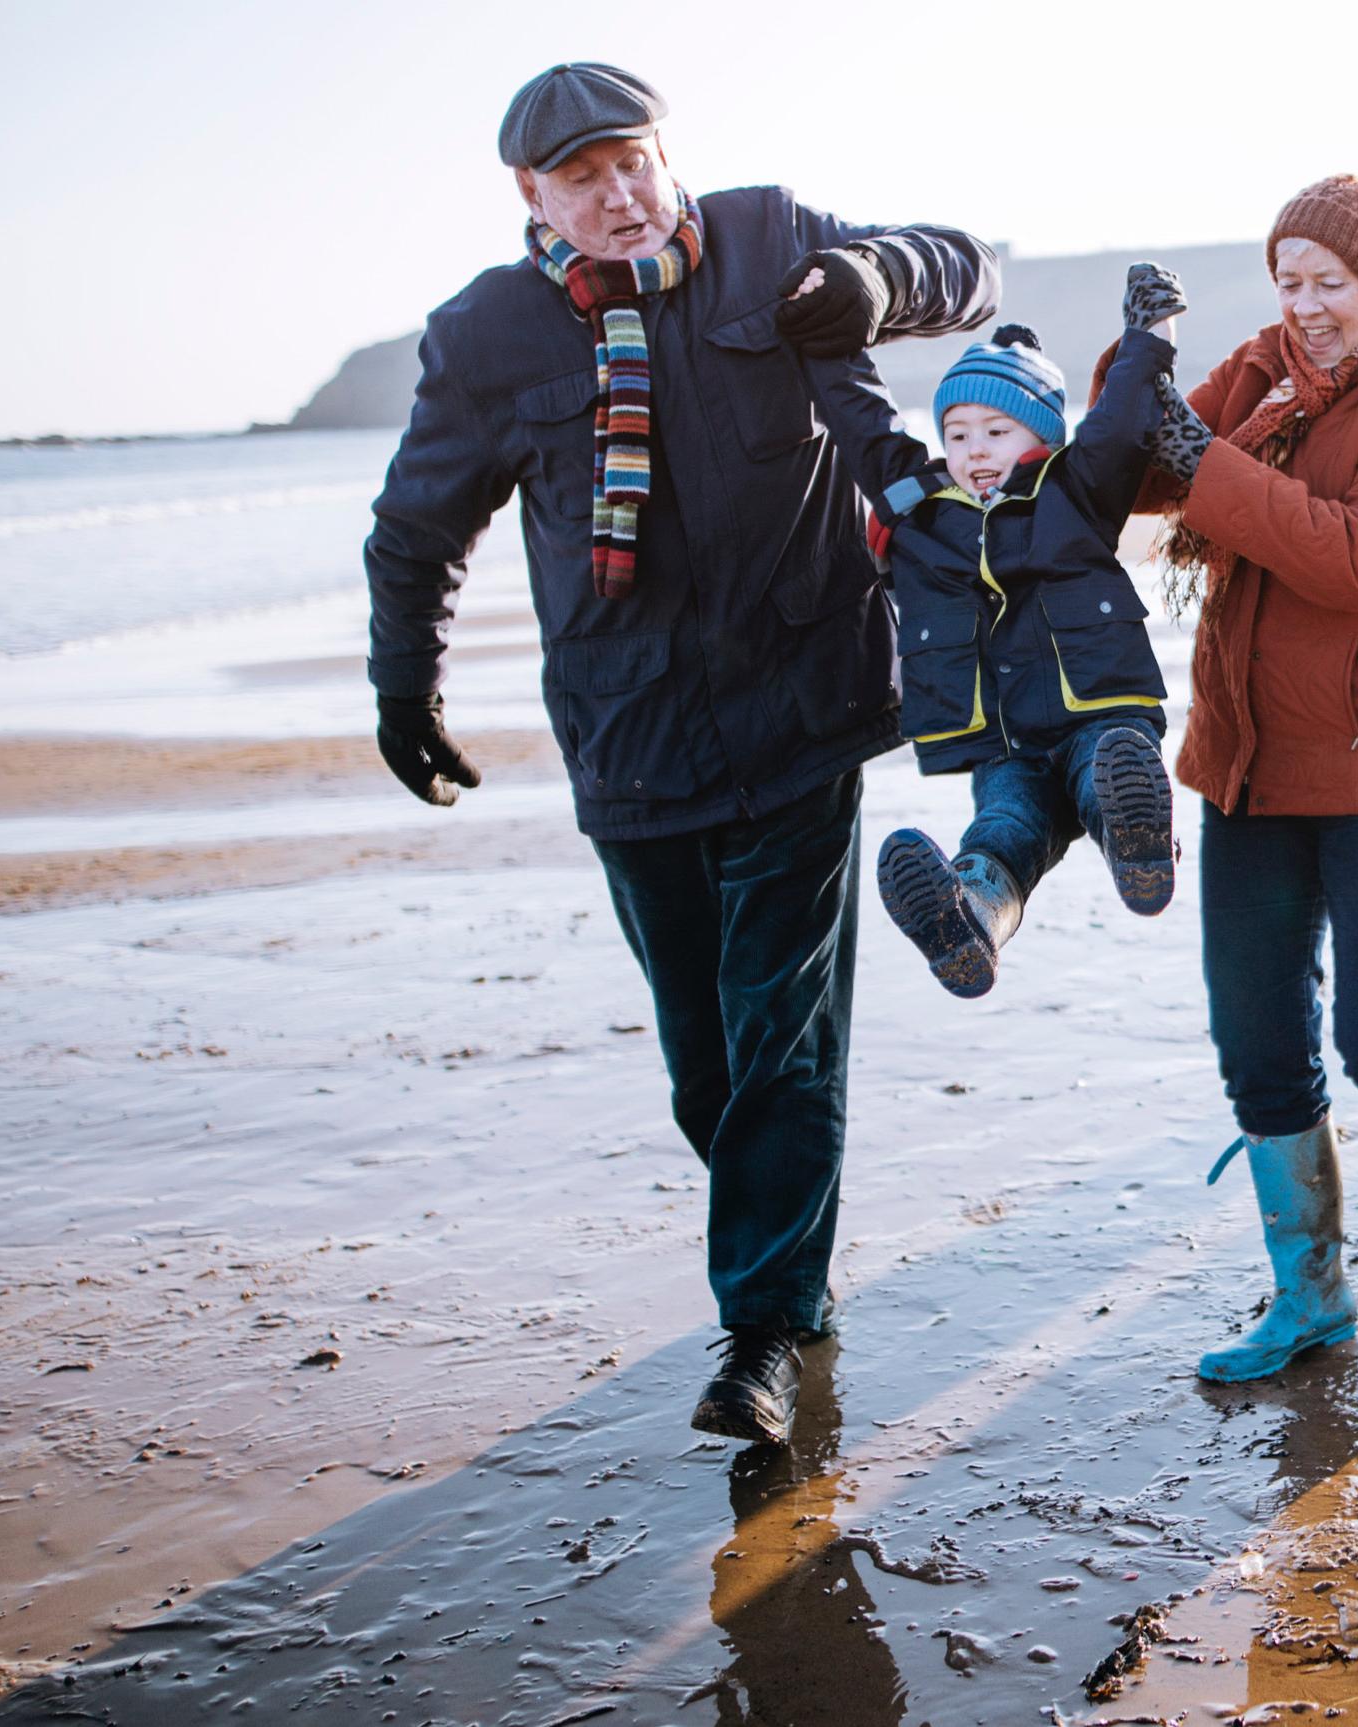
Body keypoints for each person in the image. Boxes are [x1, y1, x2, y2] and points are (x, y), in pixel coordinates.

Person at [363, 62, 998, 1448]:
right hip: (630, 738)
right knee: (707, 1069)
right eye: (581, 178)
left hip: (804, 706)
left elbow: (971, 269)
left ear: (666, 154)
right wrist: (403, 685)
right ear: (530, 196)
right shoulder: (485, 338)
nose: (618, 195)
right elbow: (416, 531)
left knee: (783, 1033)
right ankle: (791, 1265)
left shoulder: (771, 241)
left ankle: (761, 1332)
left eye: (632, 162)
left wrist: (875, 282)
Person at [1101, 175, 1358, 1384]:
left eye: (1328, 282)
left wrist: (1201, 460)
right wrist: (1142, 372)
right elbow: (1122, 474)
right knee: (1259, 1044)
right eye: (1287, 281)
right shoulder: (1259, 369)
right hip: (1252, 760)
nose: (1305, 305)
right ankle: (1311, 1297)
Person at [793, 267, 1186, 997]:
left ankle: (1140, 847)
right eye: (957, 432)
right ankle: (969, 921)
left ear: (1039, 435)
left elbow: (1123, 419)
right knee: (1004, 828)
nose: (974, 449)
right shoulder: (919, 509)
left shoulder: (1073, 489)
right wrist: (824, 338)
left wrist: (1150, 335)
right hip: (1004, 739)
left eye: (996, 431)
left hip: (1095, 712)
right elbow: (861, 421)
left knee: (1109, 776)